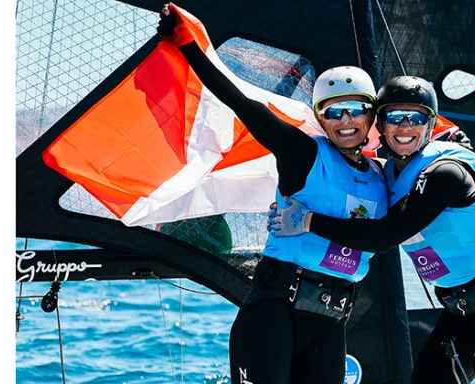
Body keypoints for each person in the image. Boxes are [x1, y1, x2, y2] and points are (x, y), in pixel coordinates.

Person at [270, 76, 475, 384]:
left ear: (430, 126)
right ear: (379, 125)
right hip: (459, 314)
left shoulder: (447, 172)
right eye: (394, 117)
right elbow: (339, 174)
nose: (405, 126)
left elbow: (384, 237)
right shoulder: (384, 178)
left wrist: (308, 221)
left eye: (416, 118)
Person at [158, 5, 389, 383]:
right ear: (320, 117)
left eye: (356, 110)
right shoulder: (304, 153)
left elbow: (418, 145)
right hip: (276, 310)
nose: (345, 121)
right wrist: (189, 48)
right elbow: (242, 104)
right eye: (333, 112)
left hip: (331, 320)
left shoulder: (384, 175)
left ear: (371, 117)